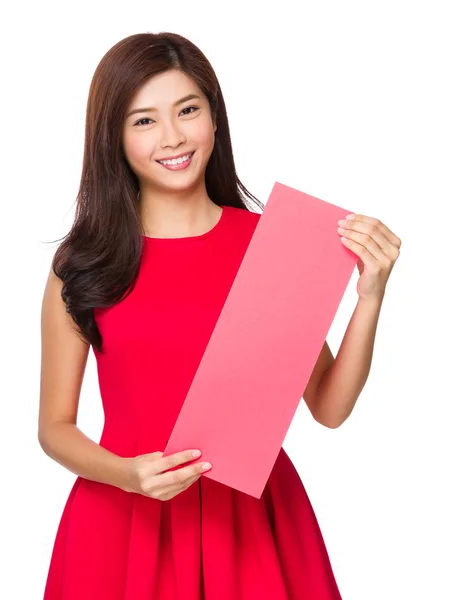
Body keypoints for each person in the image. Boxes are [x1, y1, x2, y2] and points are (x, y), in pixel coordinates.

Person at [39, 32, 401, 600]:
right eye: (144, 121)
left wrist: (370, 298)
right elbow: (53, 428)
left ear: (214, 116)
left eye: (188, 110)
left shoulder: (275, 247)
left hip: (254, 521)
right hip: (122, 520)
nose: (173, 137)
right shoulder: (86, 264)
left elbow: (328, 408)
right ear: (112, 136)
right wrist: (127, 474)